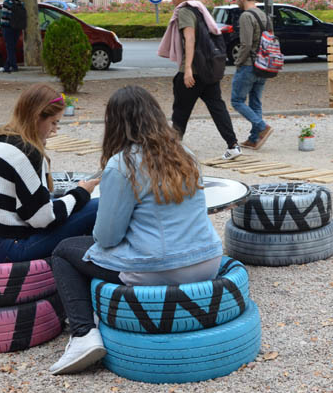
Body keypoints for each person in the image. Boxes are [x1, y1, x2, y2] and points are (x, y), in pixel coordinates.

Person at [48, 85, 224, 375]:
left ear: (115, 123)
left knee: (65, 251)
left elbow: (107, 237)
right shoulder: (185, 153)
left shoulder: (122, 164)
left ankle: (83, 335)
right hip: (208, 261)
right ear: (155, 115)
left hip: (162, 267)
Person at [0, 83, 100, 263]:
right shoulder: (27, 152)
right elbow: (42, 218)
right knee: (98, 206)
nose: (55, 130)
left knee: (68, 203)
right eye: (53, 122)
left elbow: (27, 205)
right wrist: (80, 194)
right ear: (37, 117)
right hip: (7, 248)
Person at [157, 0, 242, 160]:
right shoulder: (200, 9)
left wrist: (187, 69)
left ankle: (172, 151)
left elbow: (190, 39)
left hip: (194, 71)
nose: (171, 1)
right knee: (217, 107)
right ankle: (233, 145)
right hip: (208, 69)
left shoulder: (185, 11)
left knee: (180, 111)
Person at [230, 0, 274, 150]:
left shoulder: (246, 16)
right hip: (263, 65)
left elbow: (245, 44)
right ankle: (255, 138)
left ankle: (262, 127)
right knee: (255, 102)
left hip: (249, 65)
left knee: (237, 100)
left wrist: (238, 62)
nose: (235, 1)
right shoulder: (264, 15)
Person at [0, 0, 22, 72]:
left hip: (8, 28)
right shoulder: (19, 2)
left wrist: (2, 27)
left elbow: (4, 16)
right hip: (17, 28)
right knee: (12, 47)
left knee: (10, 48)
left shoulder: (6, 2)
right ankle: (6, 66)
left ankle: (14, 66)